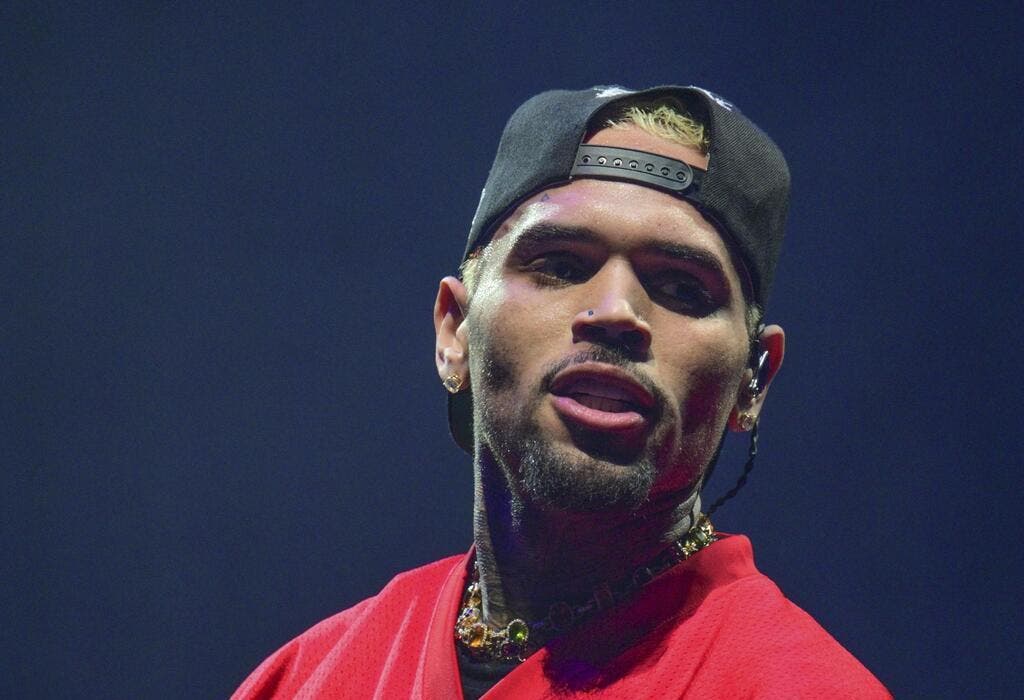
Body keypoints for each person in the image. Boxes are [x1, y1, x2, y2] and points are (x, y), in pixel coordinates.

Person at [232, 85, 890, 699]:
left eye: (682, 287)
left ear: (753, 380)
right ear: (455, 331)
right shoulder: (303, 680)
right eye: (561, 264)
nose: (616, 312)